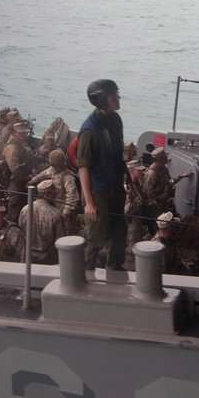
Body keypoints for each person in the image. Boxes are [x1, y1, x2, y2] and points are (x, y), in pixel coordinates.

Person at [77, 78, 128, 269]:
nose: (117, 99)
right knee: (94, 237)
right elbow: (84, 167)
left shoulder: (115, 120)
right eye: (113, 96)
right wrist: (89, 202)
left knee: (119, 233)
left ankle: (115, 269)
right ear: (102, 100)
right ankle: (84, 274)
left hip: (115, 187)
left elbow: (117, 155)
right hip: (98, 191)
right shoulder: (90, 129)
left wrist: (127, 179)